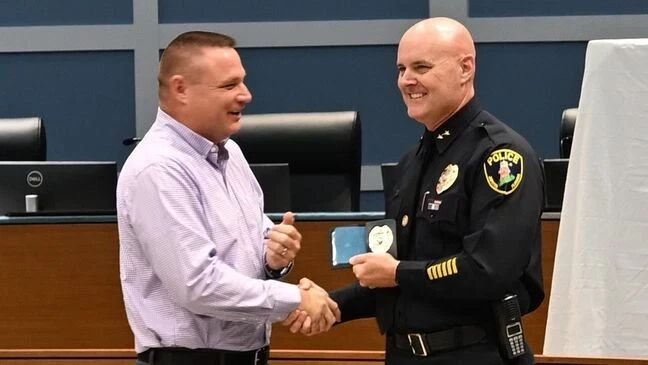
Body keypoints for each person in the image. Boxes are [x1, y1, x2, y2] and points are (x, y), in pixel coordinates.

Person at [286, 17, 544, 365]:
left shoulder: (499, 157)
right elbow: (397, 275)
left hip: (473, 354)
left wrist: (396, 273)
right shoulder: (413, 163)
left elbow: (488, 270)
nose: (407, 80)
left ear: (465, 68)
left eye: (421, 67)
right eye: (401, 68)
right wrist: (332, 306)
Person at [117, 31, 339, 365]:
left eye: (243, 82)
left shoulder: (230, 153)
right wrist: (295, 299)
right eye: (229, 85)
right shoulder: (158, 169)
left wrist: (272, 259)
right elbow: (198, 285)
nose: (246, 96)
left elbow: (251, 246)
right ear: (181, 89)